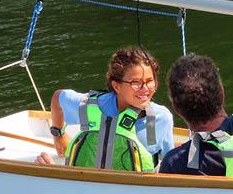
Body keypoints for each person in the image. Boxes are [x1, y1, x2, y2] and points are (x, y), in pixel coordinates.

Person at [35, 47, 174, 171]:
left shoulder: (161, 118)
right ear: (116, 86)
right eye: (136, 83)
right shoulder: (89, 107)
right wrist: (58, 135)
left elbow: (169, 165)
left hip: (136, 193)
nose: (145, 89)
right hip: (86, 188)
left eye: (150, 81)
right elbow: (58, 97)